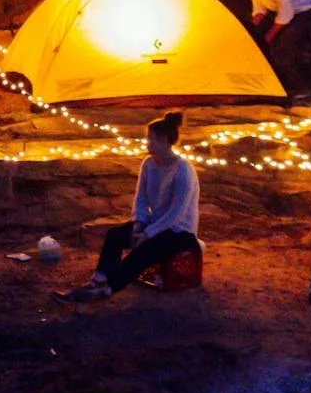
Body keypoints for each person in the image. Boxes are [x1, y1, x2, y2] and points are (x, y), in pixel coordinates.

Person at [55, 111, 203, 304]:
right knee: (115, 235)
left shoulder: (183, 169)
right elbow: (141, 198)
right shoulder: (149, 164)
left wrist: (148, 234)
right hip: (155, 223)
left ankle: (109, 288)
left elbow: (177, 213)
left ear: (164, 141)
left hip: (179, 231)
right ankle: (99, 279)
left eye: (151, 139)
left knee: (143, 251)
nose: (147, 143)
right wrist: (139, 223)